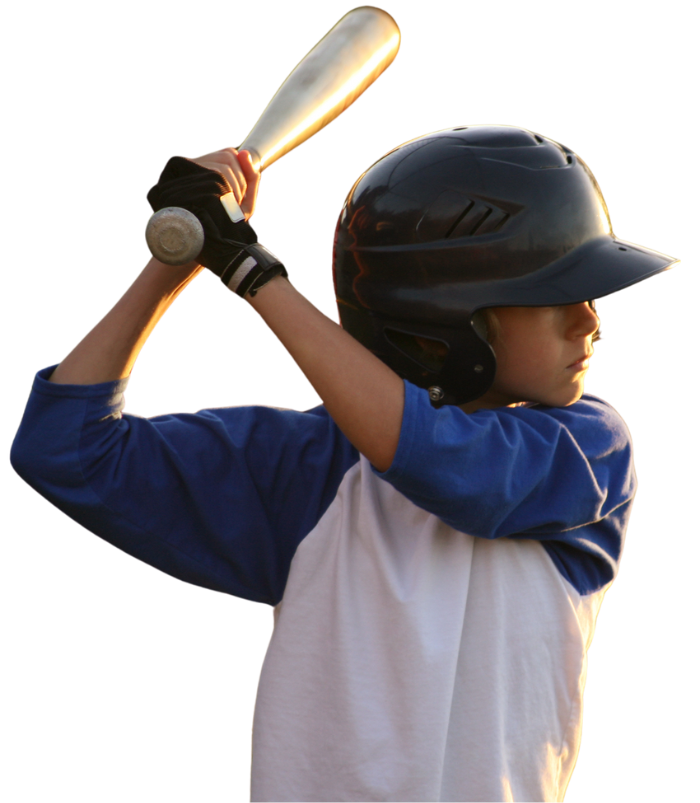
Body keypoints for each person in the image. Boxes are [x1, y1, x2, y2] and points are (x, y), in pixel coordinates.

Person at [9, 125, 680, 802]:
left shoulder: (588, 449)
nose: (589, 322)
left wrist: (248, 270)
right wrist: (179, 251)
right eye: (555, 298)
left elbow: (447, 469)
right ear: (447, 321)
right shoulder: (306, 466)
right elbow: (65, 447)